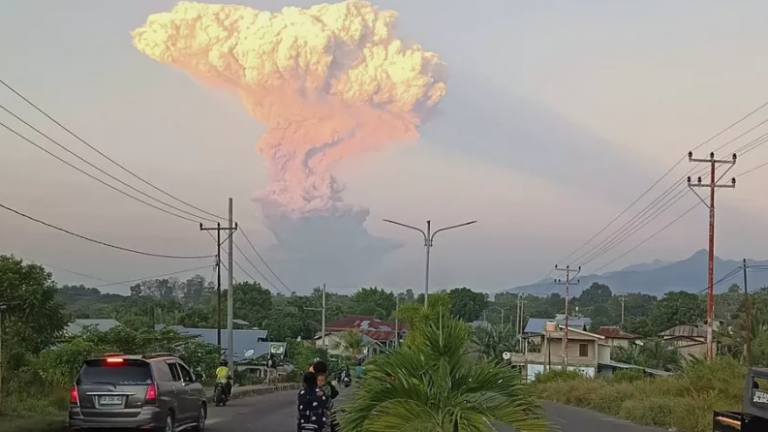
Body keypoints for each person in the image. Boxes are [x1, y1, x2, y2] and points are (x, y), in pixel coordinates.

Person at [310, 361, 339, 432]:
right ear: (326, 370)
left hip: (312, 414)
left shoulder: (311, 382)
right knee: (335, 425)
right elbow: (335, 393)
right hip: (326, 413)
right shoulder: (326, 382)